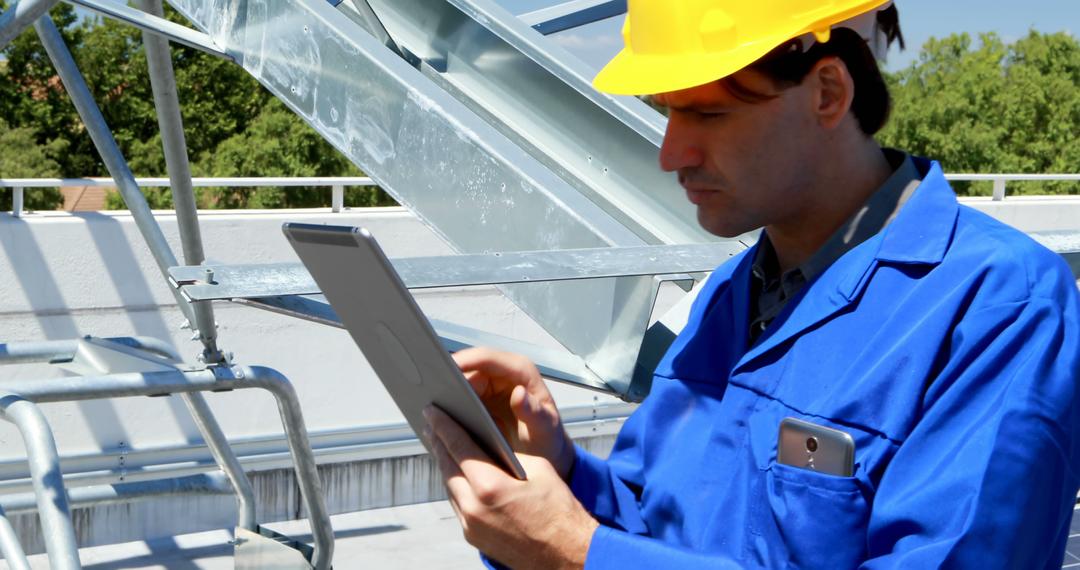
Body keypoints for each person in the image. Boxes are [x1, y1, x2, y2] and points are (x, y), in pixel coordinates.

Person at [421, 1, 1080, 568]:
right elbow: (659, 518)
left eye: (707, 114)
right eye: (666, 112)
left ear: (827, 93)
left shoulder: (997, 304)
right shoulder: (728, 295)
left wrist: (574, 553)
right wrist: (558, 471)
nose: (670, 153)